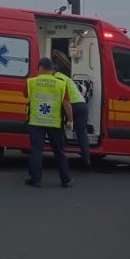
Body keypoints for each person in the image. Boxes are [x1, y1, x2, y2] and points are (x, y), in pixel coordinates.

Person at [24, 57, 73, 188]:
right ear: (52, 69)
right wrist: (70, 120)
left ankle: (36, 180)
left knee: (36, 151)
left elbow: (25, 95)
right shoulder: (61, 83)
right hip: (54, 123)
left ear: (40, 67)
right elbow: (67, 104)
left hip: (36, 121)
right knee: (59, 151)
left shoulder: (31, 82)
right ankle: (66, 180)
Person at [53, 71, 91, 169]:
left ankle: (63, 147)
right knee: (81, 132)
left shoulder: (57, 78)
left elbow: (60, 95)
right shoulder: (66, 77)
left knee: (59, 125)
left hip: (71, 104)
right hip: (82, 104)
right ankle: (86, 158)